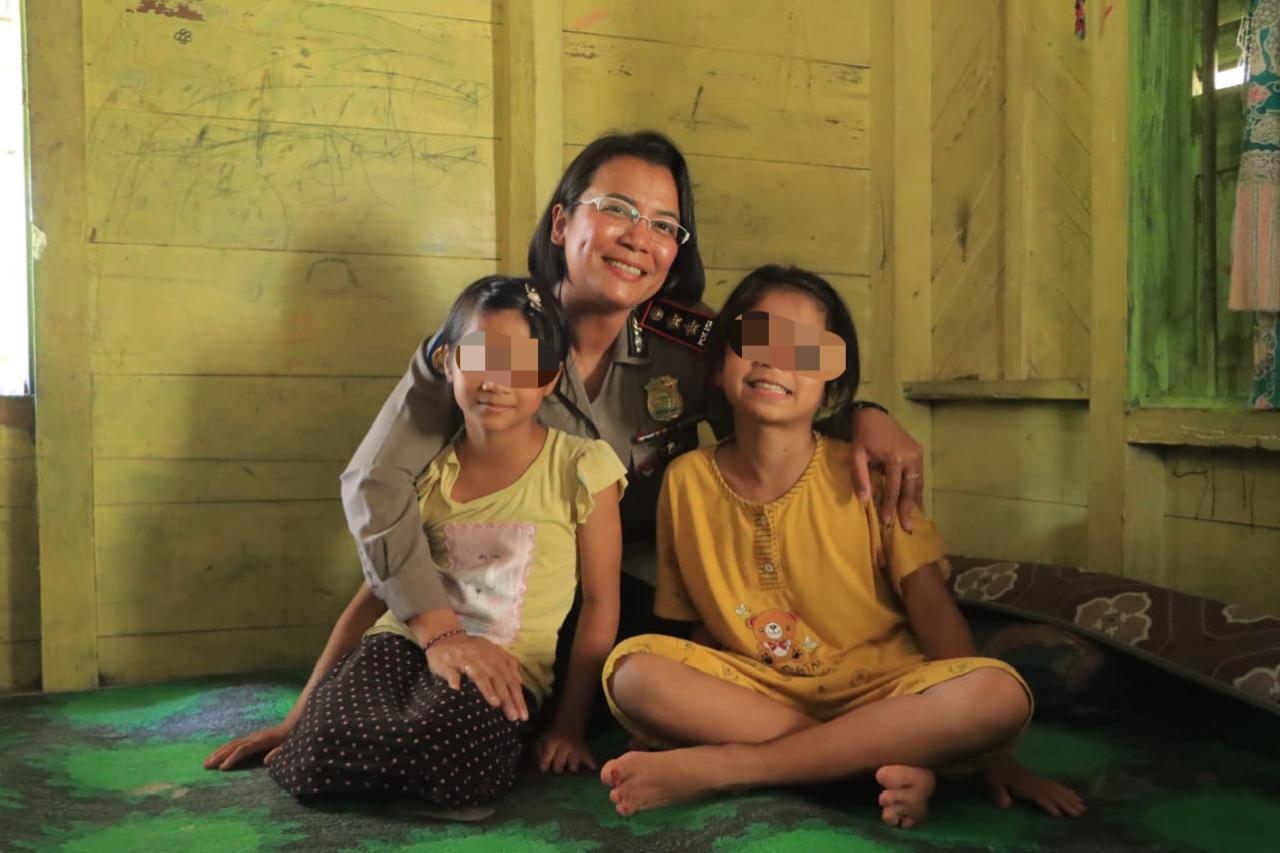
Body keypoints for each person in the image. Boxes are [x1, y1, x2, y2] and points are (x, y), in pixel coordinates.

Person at [340, 131, 927, 723]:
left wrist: (865, 415)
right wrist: (439, 630)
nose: (638, 238)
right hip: (491, 595)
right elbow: (374, 484)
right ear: (562, 223)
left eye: (664, 225)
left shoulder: (694, 345)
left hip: (634, 599)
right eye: (617, 209)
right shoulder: (490, 335)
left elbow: (782, 402)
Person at [598, 265, 1087, 826]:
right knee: (633, 672)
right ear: (717, 367)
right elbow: (703, 627)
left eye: (805, 350)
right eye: (754, 338)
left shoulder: (870, 475)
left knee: (1000, 694)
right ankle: (874, 764)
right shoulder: (685, 480)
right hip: (762, 695)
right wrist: (690, 709)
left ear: (832, 384)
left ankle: (732, 767)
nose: (774, 359)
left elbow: (932, 608)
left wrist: (991, 754)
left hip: (882, 692)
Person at [203, 276, 628, 809]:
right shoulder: (425, 472)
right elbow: (375, 596)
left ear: (550, 378)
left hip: (503, 668)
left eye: (522, 364)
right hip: (403, 643)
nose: (497, 379)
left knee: (446, 753)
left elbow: (600, 604)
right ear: (448, 362)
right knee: (311, 753)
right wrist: (297, 718)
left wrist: (568, 727)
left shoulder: (582, 467)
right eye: (481, 356)